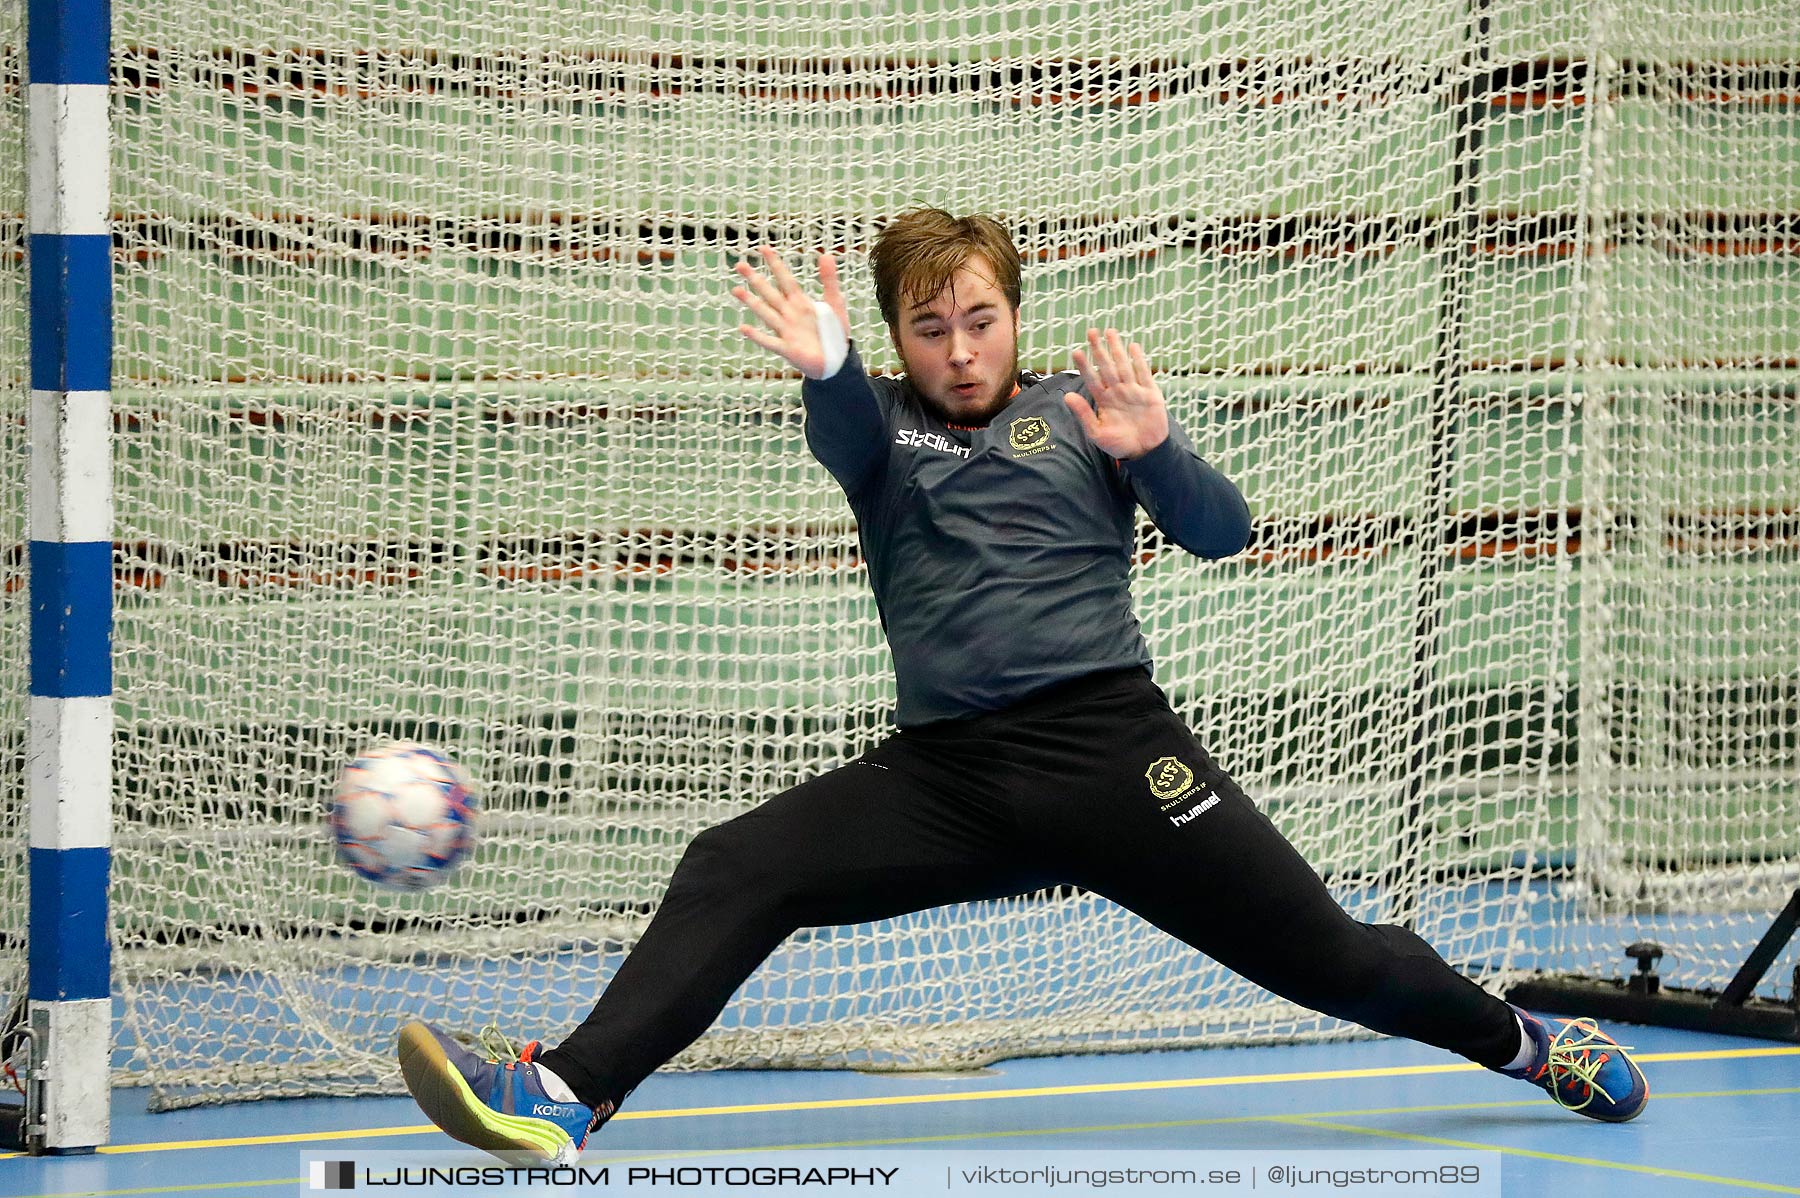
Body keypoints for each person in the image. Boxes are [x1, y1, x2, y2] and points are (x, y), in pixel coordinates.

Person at [395, 208, 1647, 1165]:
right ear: (896, 336)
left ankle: (1530, 1045)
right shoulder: (880, 427)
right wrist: (831, 370)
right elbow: (842, 434)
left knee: (1335, 959)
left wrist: (1157, 450)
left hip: (1116, 759)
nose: (959, 349)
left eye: (979, 319)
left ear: (1013, 314)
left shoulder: (1086, 413)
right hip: (946, 778)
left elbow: (1223, 534)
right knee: (739, 862)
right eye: (929, 328)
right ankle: (565, 1093)